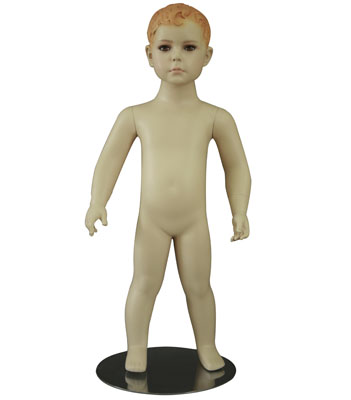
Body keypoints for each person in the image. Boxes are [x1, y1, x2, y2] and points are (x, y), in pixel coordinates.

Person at [85, 3, 251, 373]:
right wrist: (97, 201)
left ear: (207, 55)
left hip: (194, 222)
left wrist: (239, 209)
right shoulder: (135, 115)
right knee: (144, 284)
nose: (176, 56)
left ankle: (206, 345)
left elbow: (236, 165)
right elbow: (109, 161)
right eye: (165, 47)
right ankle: (136, 347)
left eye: (189, 47)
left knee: (199, 287)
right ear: (150, 55)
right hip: (152, 222)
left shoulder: (216, 117)